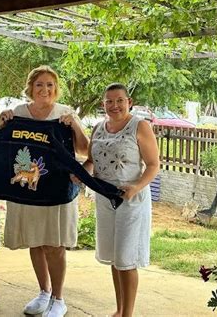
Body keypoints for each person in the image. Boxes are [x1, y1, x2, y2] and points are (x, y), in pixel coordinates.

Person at [0, 65, 89, 317]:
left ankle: (59, 299)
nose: (45, 89)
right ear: (31, 87)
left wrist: (75, 126)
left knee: (54, 244)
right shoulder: (17, 112)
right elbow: (4, 144)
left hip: (57, 191)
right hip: (26, 190)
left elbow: (84, 149)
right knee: (35, 243)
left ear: (56, 89)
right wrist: (2, 121)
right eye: (40, 84)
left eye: (50, 85)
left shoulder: (65, 113)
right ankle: (43, 292)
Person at [81, 83, 159, 317]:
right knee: (115, 258)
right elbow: (91, 161)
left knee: (126, 259)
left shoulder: (140, 126)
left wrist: (136, 187)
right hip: (104, 199)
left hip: (131, 199)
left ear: (129, 102)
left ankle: (128, 313)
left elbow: (154, 165)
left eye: (119, 100)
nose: (114, 106)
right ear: (103, 104)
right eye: (109, 101)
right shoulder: (98, 128)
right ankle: (119, 309)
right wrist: (79, 172)